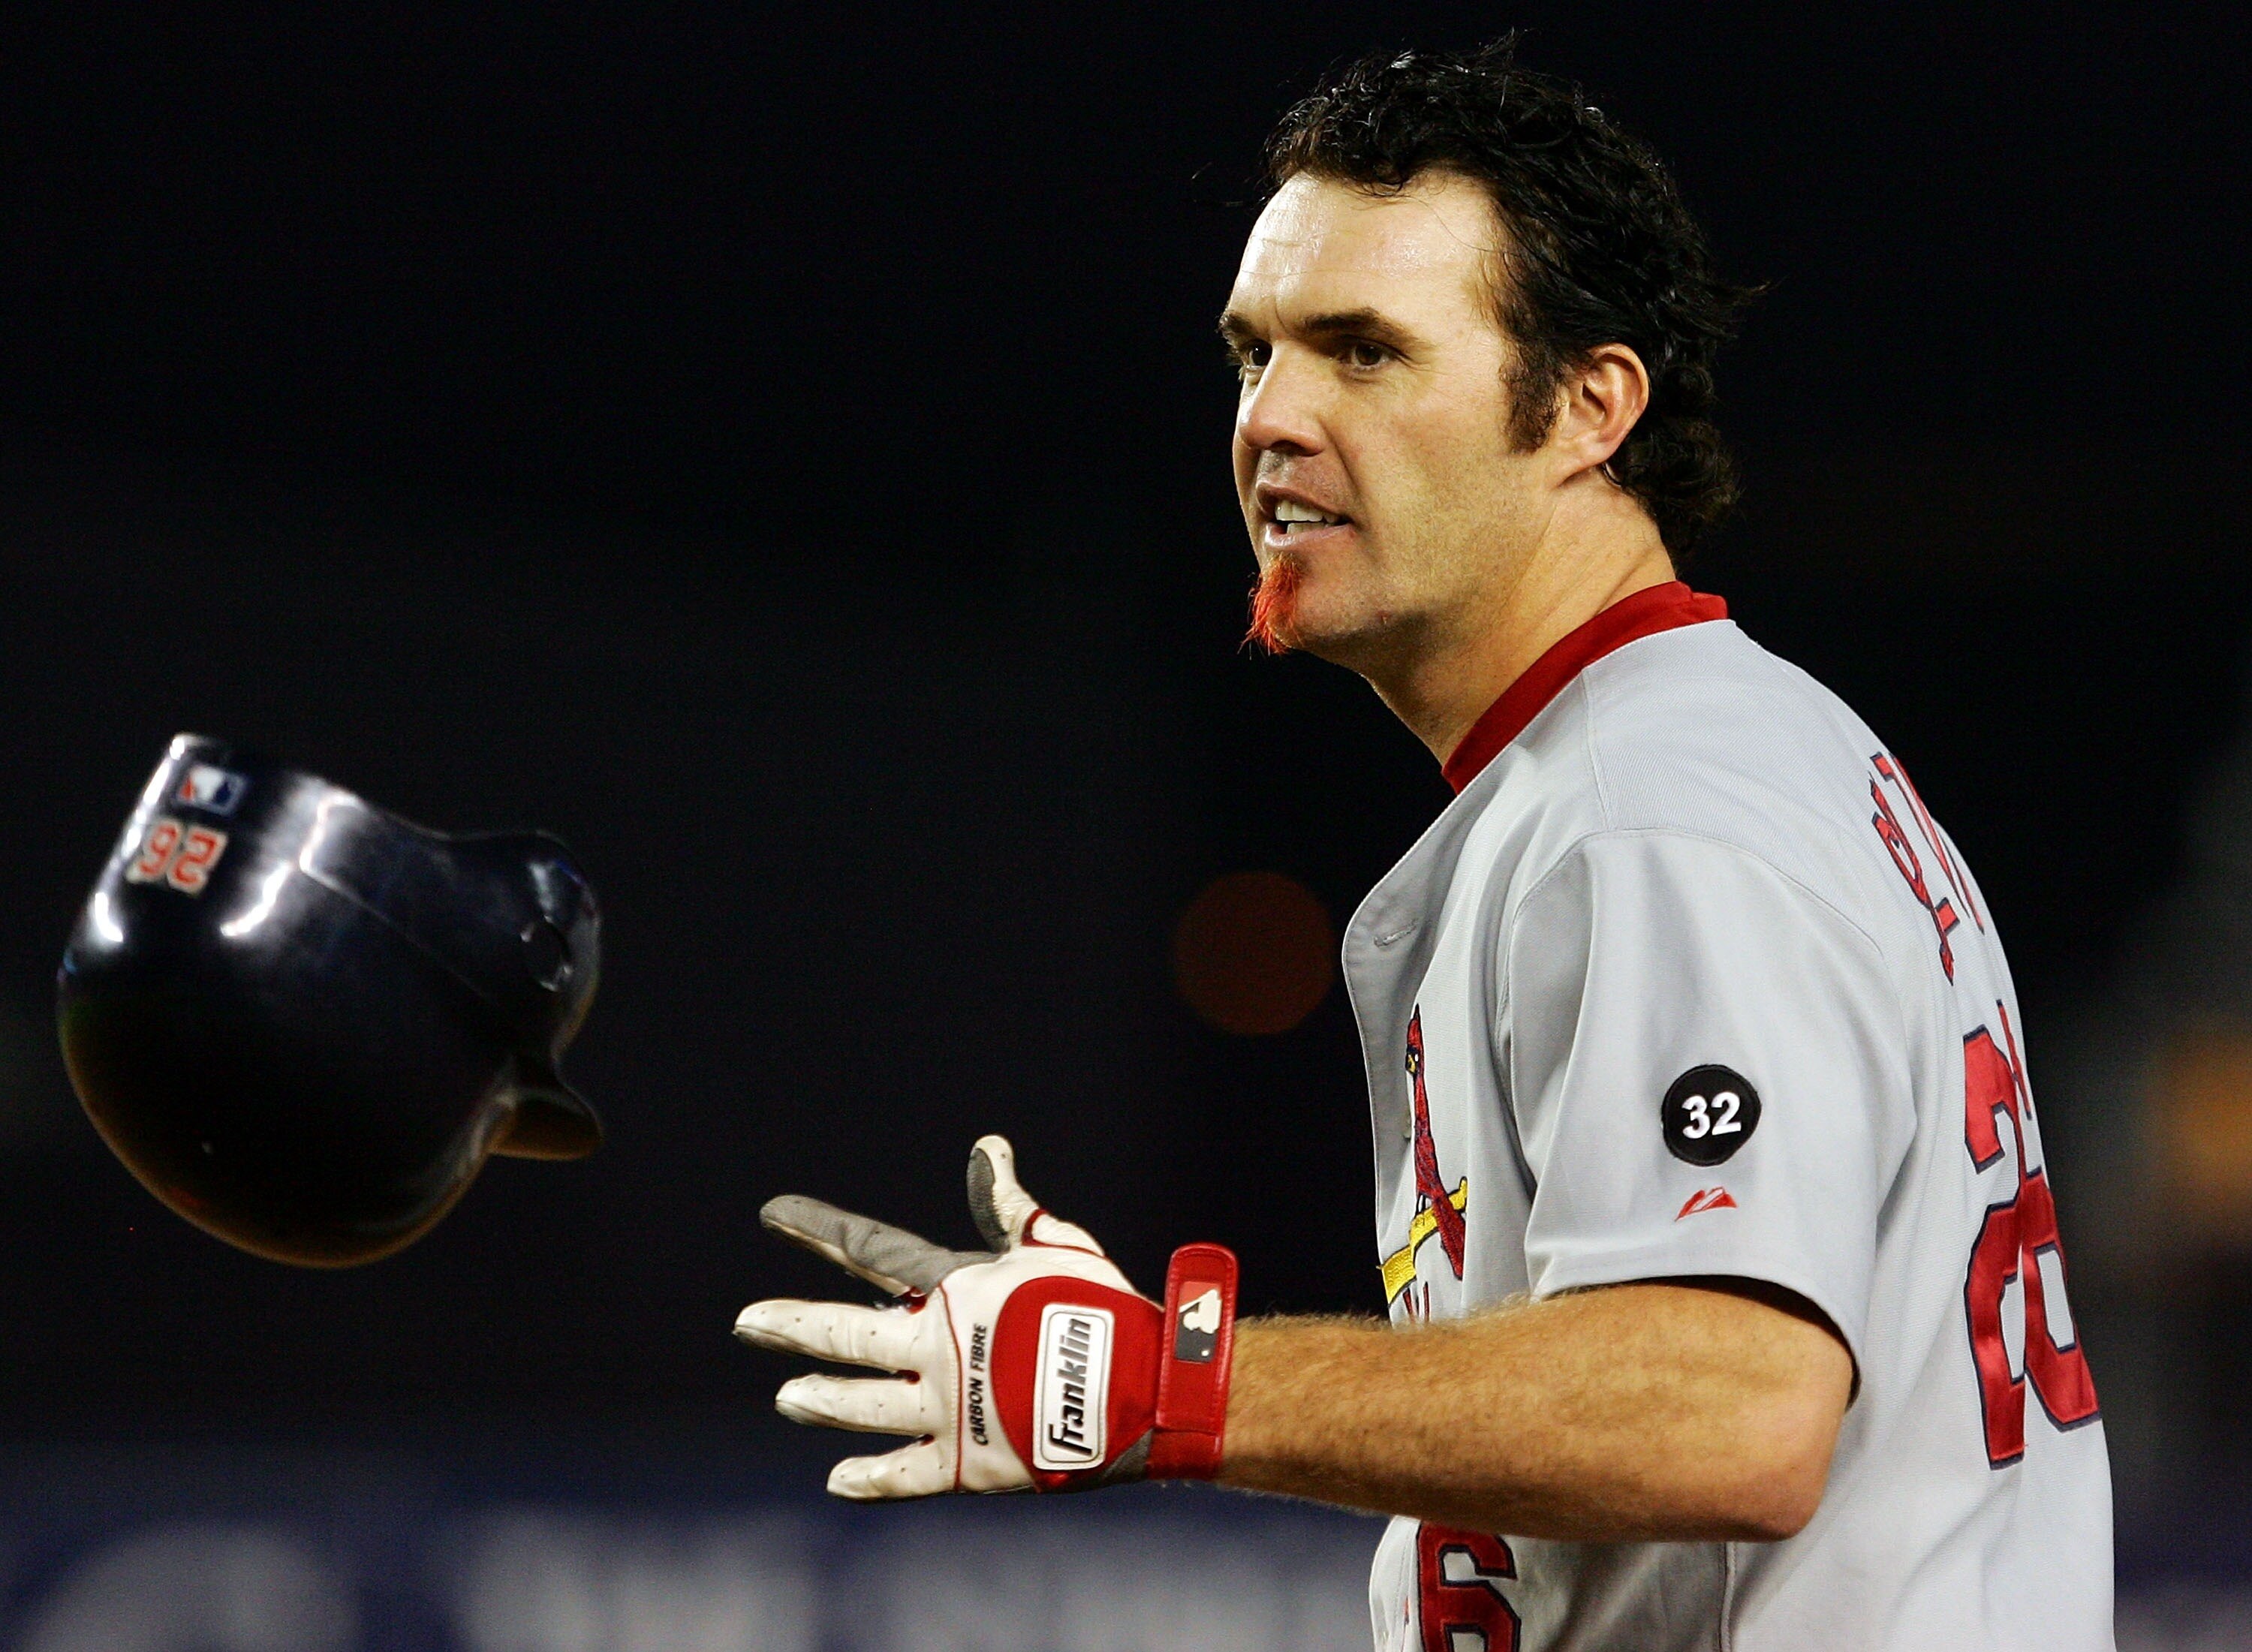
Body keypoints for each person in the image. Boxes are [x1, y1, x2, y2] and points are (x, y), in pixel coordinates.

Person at [735, 40, 2114, 1650]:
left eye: (1366, 352)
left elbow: (1728, 1406)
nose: (1274, 420)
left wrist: (1161, 1380)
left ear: (1589, 408)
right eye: (1254, 353)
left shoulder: (1655, 803)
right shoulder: (1665, 756)